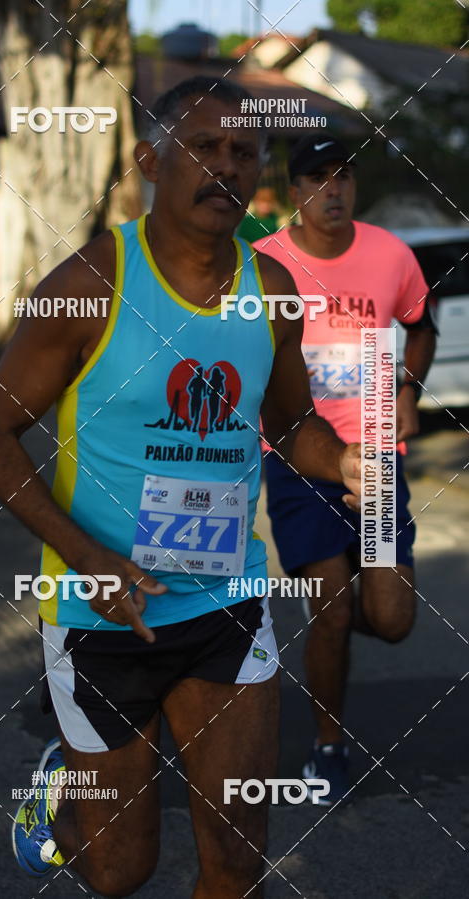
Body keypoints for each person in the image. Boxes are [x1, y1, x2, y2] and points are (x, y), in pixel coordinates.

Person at [0, 81, 361, 895]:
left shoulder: (274, 293)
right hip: (103, 613)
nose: (225, 167)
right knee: (121, 869)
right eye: (203, 147)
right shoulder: (89, 283)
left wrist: (348, 463)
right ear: (152, 160)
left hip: (228, 602)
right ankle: (60, 802)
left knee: (236, 850)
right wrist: (87, 557)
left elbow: (292, 427)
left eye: (243, 153)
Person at [254, 132, 437, 806]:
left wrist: (407, 390)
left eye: (344, 176)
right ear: (295, 190)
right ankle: (329, 745)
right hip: (297, 459)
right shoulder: (264, 262)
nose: (333, 189)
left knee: (391, 619)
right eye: (317, 177)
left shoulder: (390, 255)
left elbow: (421, 324)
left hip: (378, 459)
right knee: (331, 610)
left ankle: (329, 620)